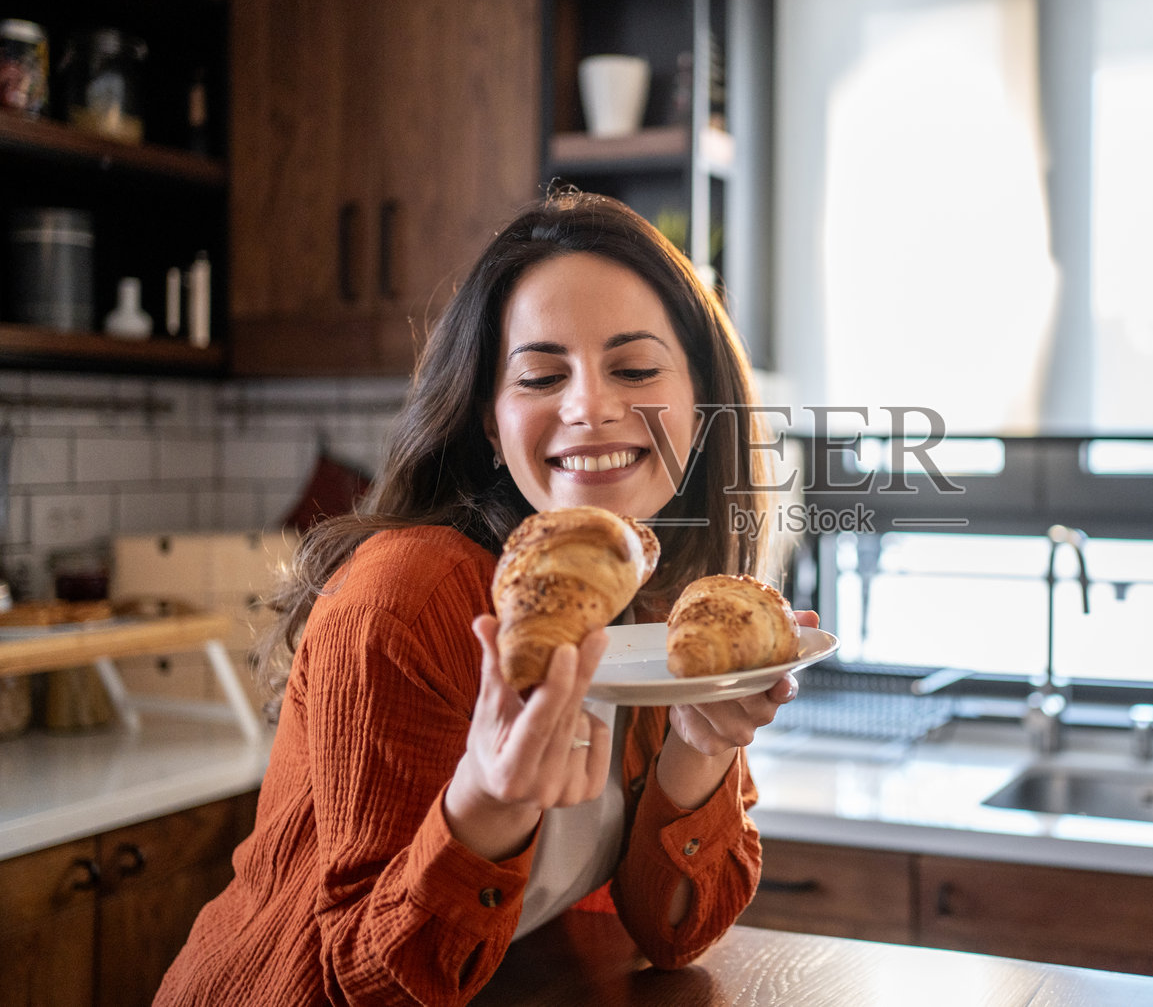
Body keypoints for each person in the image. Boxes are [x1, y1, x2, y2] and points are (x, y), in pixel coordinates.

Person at [157, 190, 808, 1005]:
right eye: (541, 374)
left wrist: (701, 746)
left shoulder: (660, 617)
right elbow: (366, 981)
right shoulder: (406, 599)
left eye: (635, 368)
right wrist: (486, 803)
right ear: (492, 426)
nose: (589, 407)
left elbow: (672, 932)